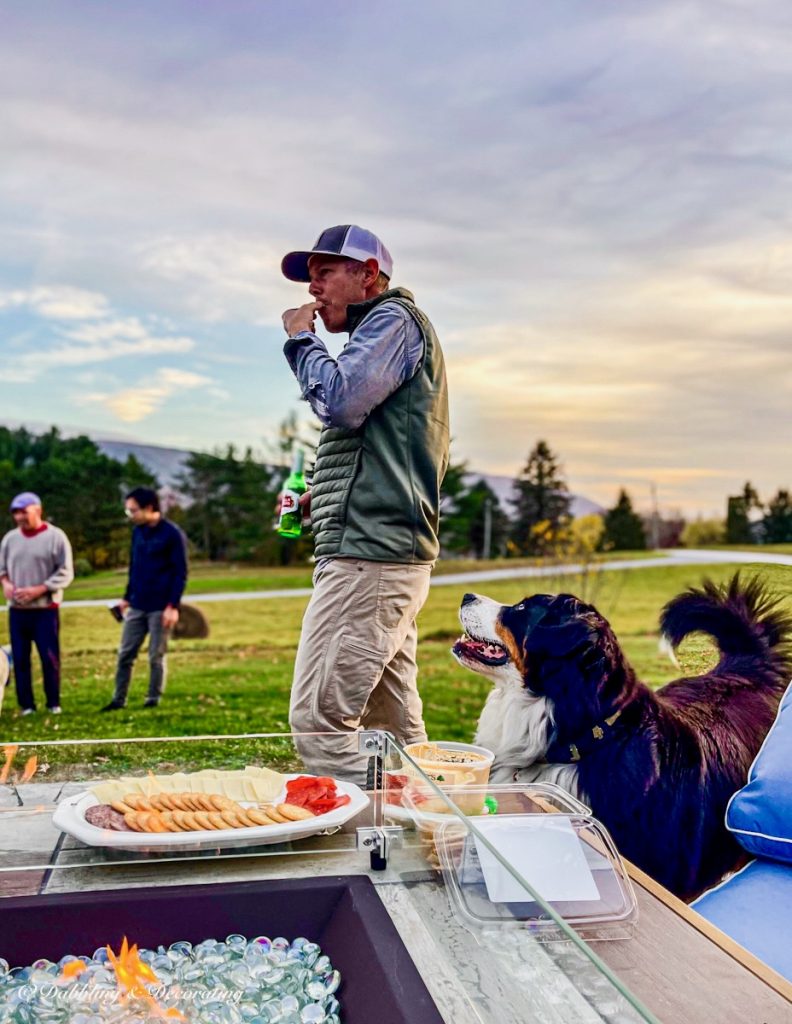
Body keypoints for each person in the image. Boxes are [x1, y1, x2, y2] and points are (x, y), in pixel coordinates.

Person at [280, 224, 449, 783]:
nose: (313, 289)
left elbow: (342, 403)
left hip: (370, 559)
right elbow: (373, 441)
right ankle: (430, 837)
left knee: (320, 720)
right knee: (392, 729)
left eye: (324, 272)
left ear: (368, 274)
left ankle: (359, 847)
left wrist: (301, 341)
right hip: (382, 555)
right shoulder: (380, 334)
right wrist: (319, 499)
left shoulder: (392, 320)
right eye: (311, 278)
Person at [101, 487, 188, 711]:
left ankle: (152, 699)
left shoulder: (172, 534)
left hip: (161, 606)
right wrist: (126, 598)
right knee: (125, 654)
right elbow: (135, 568)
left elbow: (180, 573)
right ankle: (118, 699)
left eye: (133, 510)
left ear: (149, 508)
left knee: (155, 656)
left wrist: (173, 606)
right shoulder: (138, 532)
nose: (130, 515)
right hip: (138, 605)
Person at [0, 492, 74, 715]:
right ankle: (27, 705)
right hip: (18, 610)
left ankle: (53, 703)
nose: (20, 517)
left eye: (24, 512)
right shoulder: (9, 539)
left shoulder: (56, 537)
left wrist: (40, 589)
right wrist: (6, 583)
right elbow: (2, 569)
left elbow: (66, 572)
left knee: (49, 658)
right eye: (16, 513)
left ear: (38, 510)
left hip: (45, 610)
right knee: (20, 659)